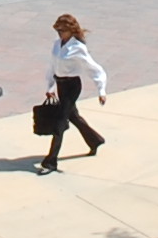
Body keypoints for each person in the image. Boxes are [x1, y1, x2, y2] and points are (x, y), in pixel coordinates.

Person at [38, 12, 108, 173]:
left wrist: (101, 90)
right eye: (58, 30)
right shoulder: (57, 44)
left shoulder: (78, 48)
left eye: (62, 30)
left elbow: (95, 69)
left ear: (71, 30)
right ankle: (95, 140)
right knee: (73, 116)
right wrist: (50, 87)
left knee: (60, 122)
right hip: (61, 85)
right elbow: (52, 67)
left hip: (72, 87)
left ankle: (51, 162)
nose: (60, 33)